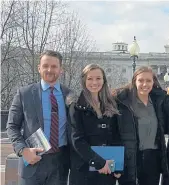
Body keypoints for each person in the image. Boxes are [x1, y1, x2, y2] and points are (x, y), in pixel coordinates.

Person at [6, 50, 71, 185]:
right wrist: (22, 150)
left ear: (61, 69)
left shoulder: (70, 95)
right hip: (32, 162)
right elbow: (12, 126)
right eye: (45, 65)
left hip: (60, 164)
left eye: (54, 66)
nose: (49, 69)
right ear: (39, 68)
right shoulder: (25, 94)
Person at [113, 66, 169, 185]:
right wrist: (116, 163)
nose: (145, 84)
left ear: (153, 82)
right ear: (134, 82)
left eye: (148, 80)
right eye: (141, 80)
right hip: (130, 158)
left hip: (152, 159)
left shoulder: (157, 101)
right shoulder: (123, 102)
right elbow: (115, 134)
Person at [68, 64, 122, 185]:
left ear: (104, 80)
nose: (94, 82)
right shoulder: (76, 106)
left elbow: (116, 137)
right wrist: (99, 163)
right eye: (90, 78)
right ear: (84, 81)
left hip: (107, 171)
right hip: (84, 170)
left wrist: (117, 165)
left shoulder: (111, 105)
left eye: (98, 78)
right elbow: (77, 140)